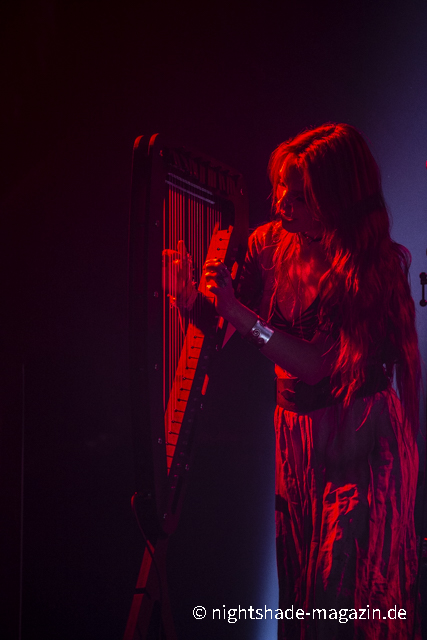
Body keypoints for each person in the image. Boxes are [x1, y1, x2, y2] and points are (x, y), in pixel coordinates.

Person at [167, 123, 421, 639]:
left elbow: (315, 364)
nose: (283, 201)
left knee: (341, 601)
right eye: (282, 185)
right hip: (297, 440)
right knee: (302, 600)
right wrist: (188, 299)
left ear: (337, 198)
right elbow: (221, 332)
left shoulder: (372, 265)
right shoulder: (268, 245)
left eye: (301, 195)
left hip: (359, 439)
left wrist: (241, 315)